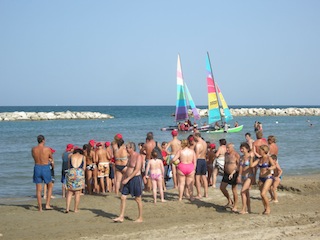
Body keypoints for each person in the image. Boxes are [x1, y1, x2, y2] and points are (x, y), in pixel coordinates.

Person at [113, 142, 143, 223]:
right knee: (123, 197)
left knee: (138, 199)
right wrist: (124, 177)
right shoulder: (129, 156)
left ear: (132, 148)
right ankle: (121, 216)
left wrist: (128, 178)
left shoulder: (138, 156)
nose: (126, 149)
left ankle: (140, 217)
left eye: (127, 148)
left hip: (135, 179)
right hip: (127, 179)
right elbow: (127, 168)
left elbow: (137, 169)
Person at [250, 145, 276, 215]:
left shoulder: (268, 158)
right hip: (261, 178)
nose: (259, 151)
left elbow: (274, 166)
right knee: (262, 195)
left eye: (260, 150)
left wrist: (270, 168)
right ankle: (265, 208)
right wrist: (251, 157)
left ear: (264, 151)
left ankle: (268, 208)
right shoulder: (259, 159)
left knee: (263, 193)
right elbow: (251, 165)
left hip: (268, 177)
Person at [31, 135, 53, 211]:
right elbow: (51, 157)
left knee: (38, 189)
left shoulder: (33, 149)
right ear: (43, 140)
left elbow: (34, 157)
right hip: (45, 167)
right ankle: (47, 204)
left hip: (37, 167)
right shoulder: (47, 149)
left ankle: (40, 207)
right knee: (49, 185)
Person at [220, 143, 240, 212]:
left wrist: (234, 173)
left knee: (234, 189)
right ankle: (229, 200)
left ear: (232, 148)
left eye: (228, 148)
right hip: (226, 173)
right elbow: (225, 163)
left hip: (233, 173)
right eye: (226, 148)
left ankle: (235, 205)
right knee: (222, 187)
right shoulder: (226, 154)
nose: (227, 149)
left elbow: (239, 165)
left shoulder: (236, 155)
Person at [65, 148, 86, 213]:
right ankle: (75, 209)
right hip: (79, 172)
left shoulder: (70, 156)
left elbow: (69, 166)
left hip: (71, 172)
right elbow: (84, 168)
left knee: (70, 192)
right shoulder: (83, 157)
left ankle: (67, 208)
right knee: (77, 192)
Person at [238, 142, 254, 214]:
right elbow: (240, 167)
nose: (241, 150)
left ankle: (243, 209)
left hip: (249, 176)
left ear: (247, 149)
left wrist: (254, 179)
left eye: (243, 148)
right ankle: (249, 209)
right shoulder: (241, 157)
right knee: (246, 193)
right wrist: (239, 175)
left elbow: (253, 167)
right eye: (241, 148)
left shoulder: (250, 157)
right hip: (243, 176)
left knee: (242, 192)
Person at [193, 132, 208, 198]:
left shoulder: (198, 145)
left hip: (199, 160)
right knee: (204, 177)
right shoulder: (205, 143)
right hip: (204, 160)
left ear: (196, 136)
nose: (193, 138)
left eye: (194, 137)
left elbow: (196, 155)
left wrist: (194, 164)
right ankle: (206, 193)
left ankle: (199, 194)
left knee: (197, 177)